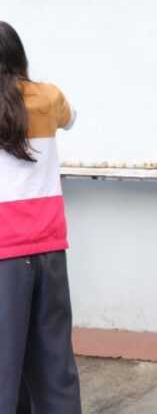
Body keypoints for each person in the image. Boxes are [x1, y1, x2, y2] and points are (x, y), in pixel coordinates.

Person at [0, 21, 81, 414]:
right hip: (49, 247)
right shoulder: (48, 98)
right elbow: (71, 118)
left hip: (3, 253)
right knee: (54, 363)